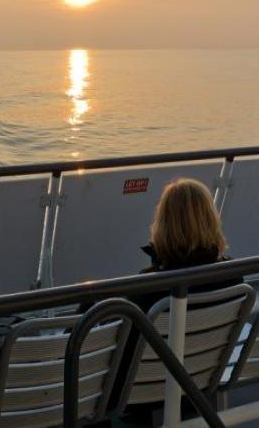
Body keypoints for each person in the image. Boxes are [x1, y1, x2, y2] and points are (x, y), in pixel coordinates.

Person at [109, 178, 243, 423]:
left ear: (162, 224)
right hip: (199, 385)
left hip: (141, 397)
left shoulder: (147, 289)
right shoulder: (232, 277)